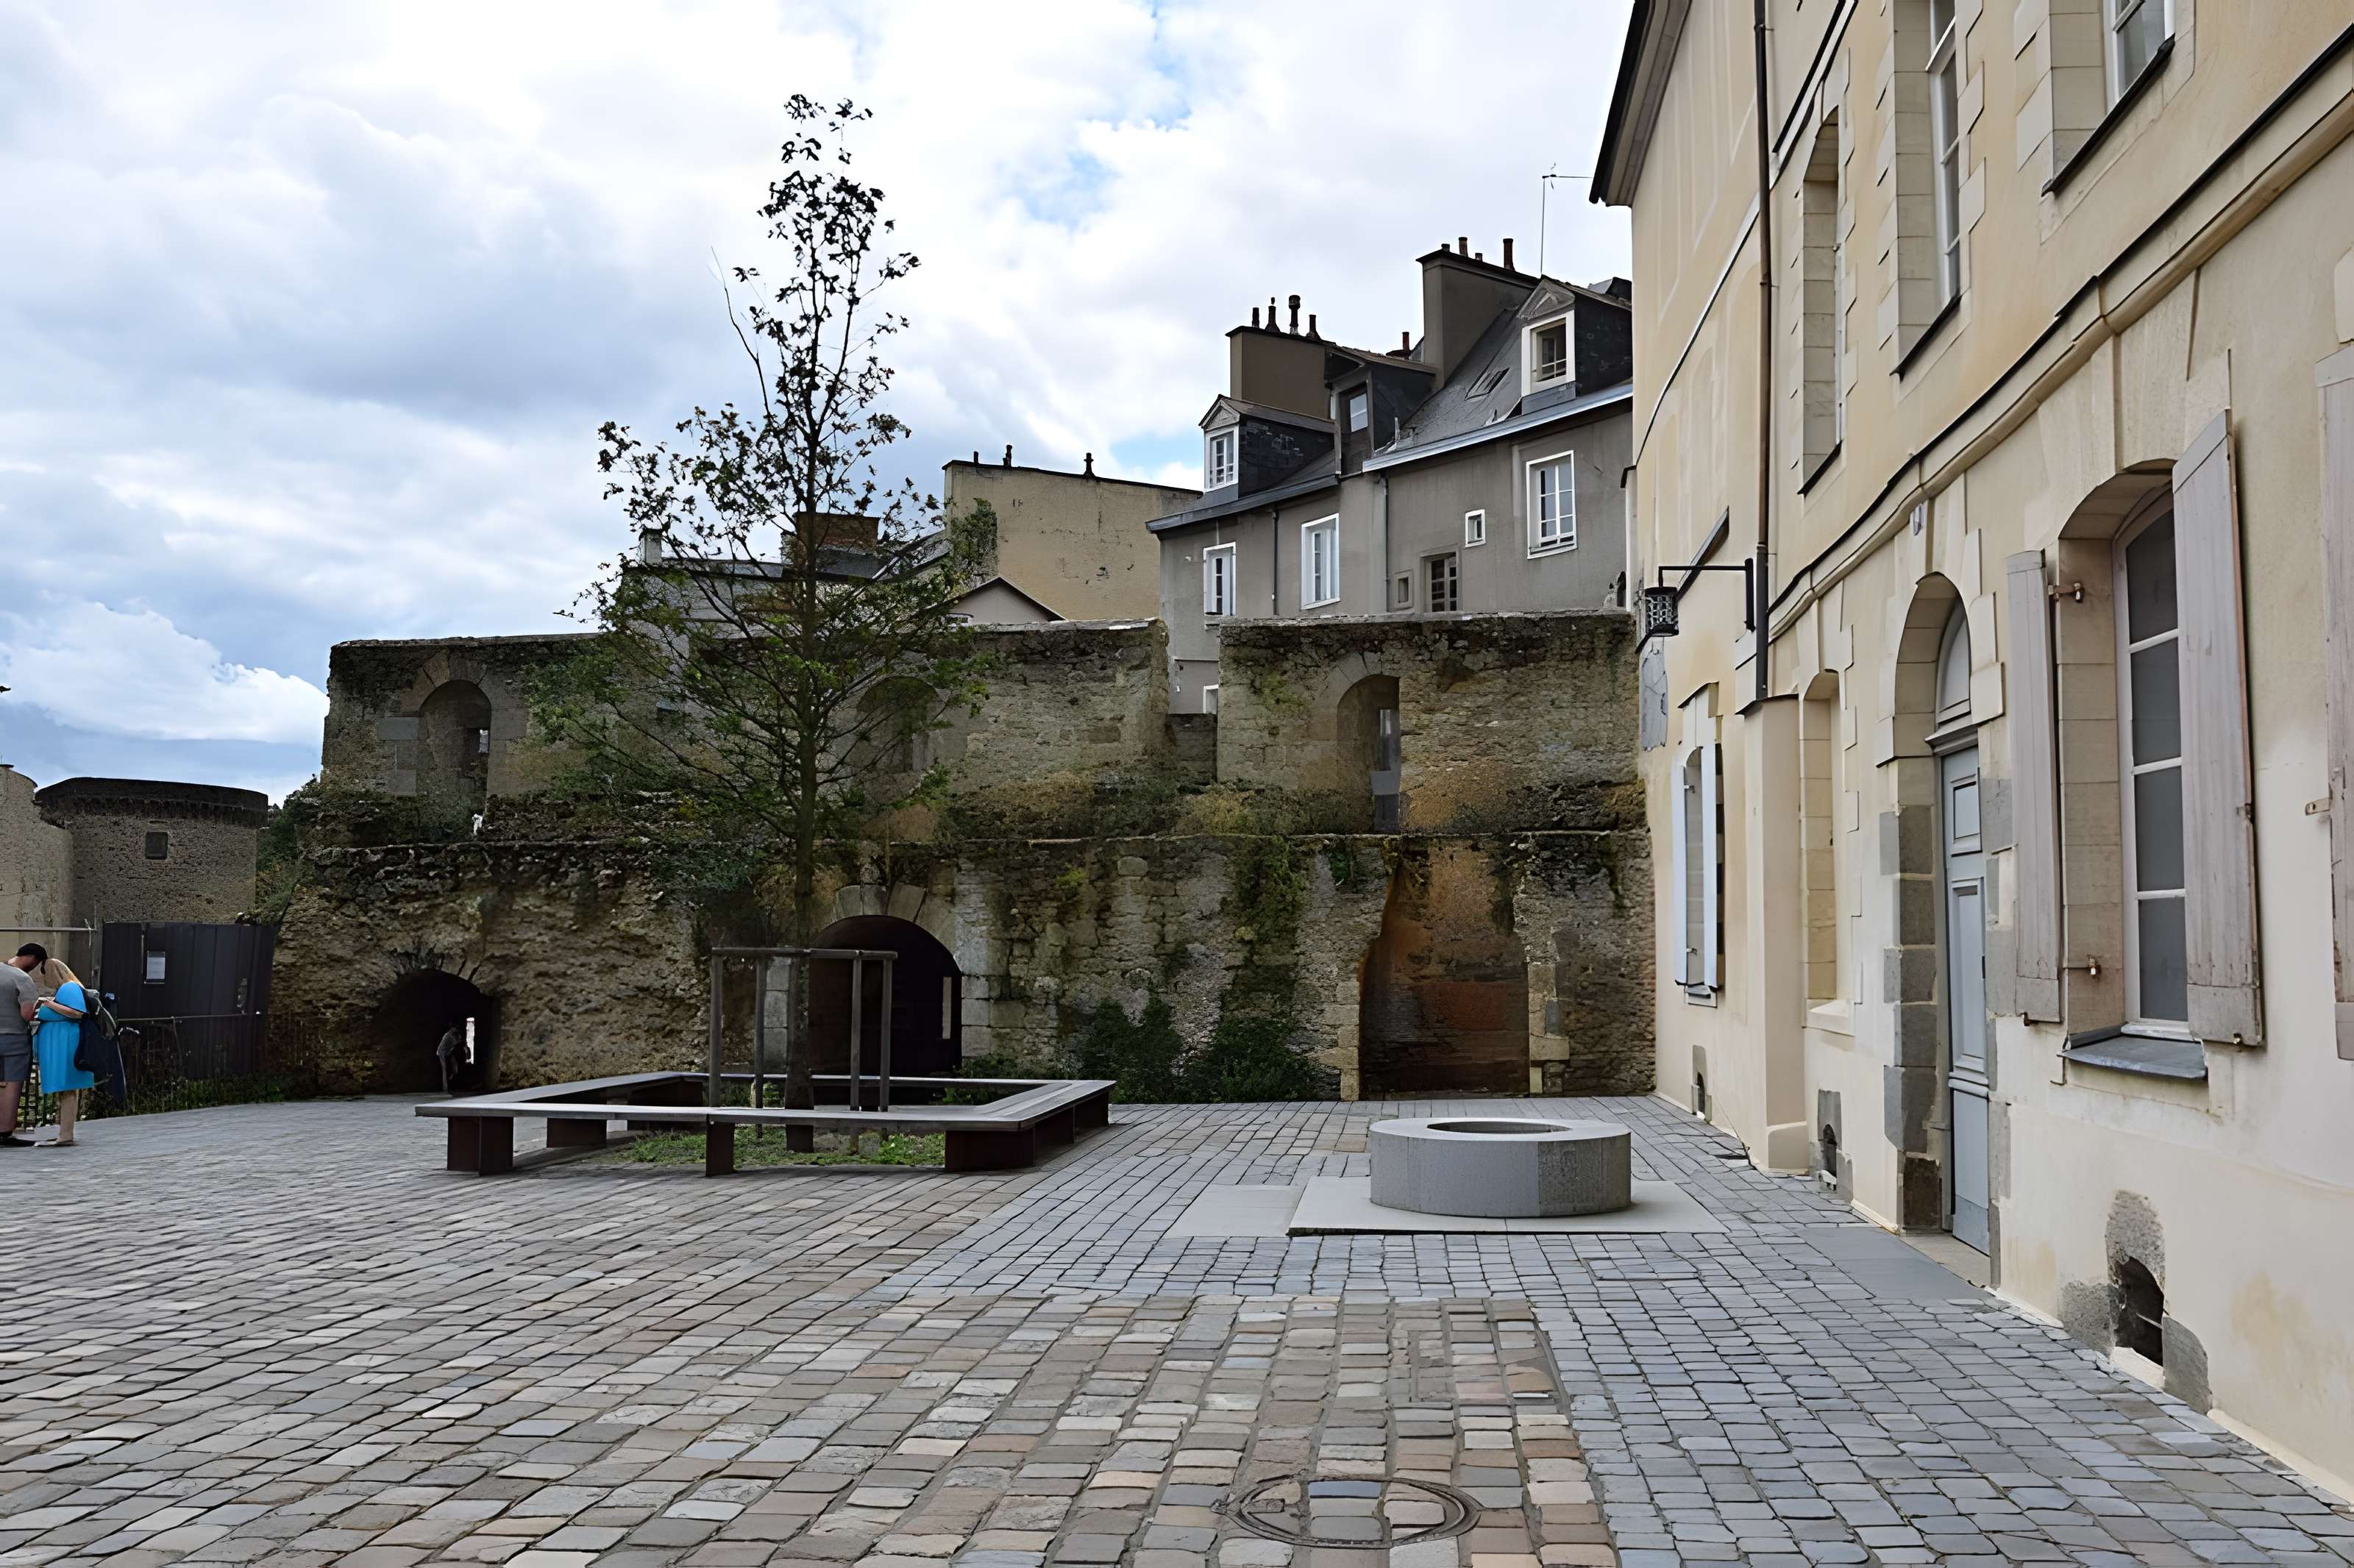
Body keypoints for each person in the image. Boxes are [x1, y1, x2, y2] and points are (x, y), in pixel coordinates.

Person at [29, 955, 91, 1147]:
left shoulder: (69, 988)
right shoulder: (68, 988)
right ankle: (64, 1132)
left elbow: (77, 1012)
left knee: (68, 1090)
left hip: (65, 1046)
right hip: (63, 1044)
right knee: (66, 1091)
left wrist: (47, 1004)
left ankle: (66, 1134)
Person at [0, 944, 39, 1148]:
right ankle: (5, 1133)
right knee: (11, 1086)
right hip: (14, 1040)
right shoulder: (22, 978)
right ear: (32, 959)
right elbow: (27, 1014)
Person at [436, 1021, 466, 1096]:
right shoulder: (450, 1035)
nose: (456, 1029)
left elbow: (458, 1044)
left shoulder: (453, 1035)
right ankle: (446, 1089)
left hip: (448, 1052)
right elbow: (457, 1043)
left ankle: (452, 1085)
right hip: (443, 1052)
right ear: (453, 1028)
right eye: (455, 1028)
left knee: (453, 1068)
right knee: (445, 1070)